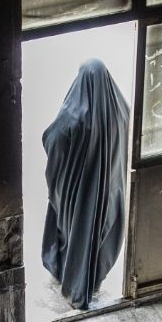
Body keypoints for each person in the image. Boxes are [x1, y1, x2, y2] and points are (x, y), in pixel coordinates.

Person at [41, 59, 131, 309]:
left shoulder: (74, 116)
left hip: (80, 193)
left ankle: (72, 278)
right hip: (110, 189)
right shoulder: (120, 108)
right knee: (100, 233)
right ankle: (93, 282)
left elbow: (54, 139)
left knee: (76, 232)